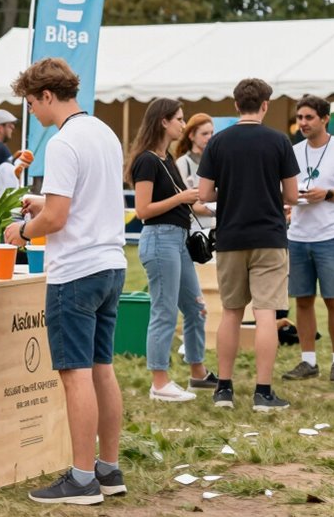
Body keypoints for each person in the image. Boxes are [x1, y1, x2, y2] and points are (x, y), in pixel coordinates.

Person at [3, 58, 127, 505]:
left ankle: (79, 479)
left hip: (75, 270)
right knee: (101, 368)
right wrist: (43, 203)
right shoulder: (104, 132)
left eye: (32, 103)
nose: (32, 112)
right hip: (111, 262)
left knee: (74, 375)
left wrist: (22, 231)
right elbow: (86, 197)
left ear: (48, 96)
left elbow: (56, 218)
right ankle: (107, 470)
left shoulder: (62, 142)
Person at [197, 78, 299, 412]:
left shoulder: (218, 143)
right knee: (266, 313)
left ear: (237, 104)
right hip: (269, 236)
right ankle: (263, 393)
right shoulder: (279, 141)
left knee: (230, 312)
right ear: (265, 105)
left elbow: (204, 194)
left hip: (230, 236)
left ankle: (224, 389)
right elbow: (292, 195)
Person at [126, 99, 215, 403]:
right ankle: (159, 381)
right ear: (163, 122)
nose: (182, 123)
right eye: (178, 118)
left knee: (196, 307)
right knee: (164, 311)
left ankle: (198, 372)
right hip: (160, 239)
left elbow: (188, 200)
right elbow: (142, 210)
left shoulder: (165, 160)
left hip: (177, 241)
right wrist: (182, 199)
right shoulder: (148, 161)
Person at [282, 95, 334, 383]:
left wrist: (327, 194)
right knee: (302, 301)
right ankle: (308, 361)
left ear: (325, 118)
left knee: (333, 301)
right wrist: (289, 201)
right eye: (300, 117)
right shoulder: (293, 151)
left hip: (330, 235)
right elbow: (285, 189)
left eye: (309, 118)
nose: (302, 123)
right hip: (298, 236)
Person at [174, 113, 215, 230]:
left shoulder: (215, 162)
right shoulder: (183, 162)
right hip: (193, 228)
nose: (210, 137)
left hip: (213, 227)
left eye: (212, 133)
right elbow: (188, 202)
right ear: (191, 136)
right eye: (204, 134)